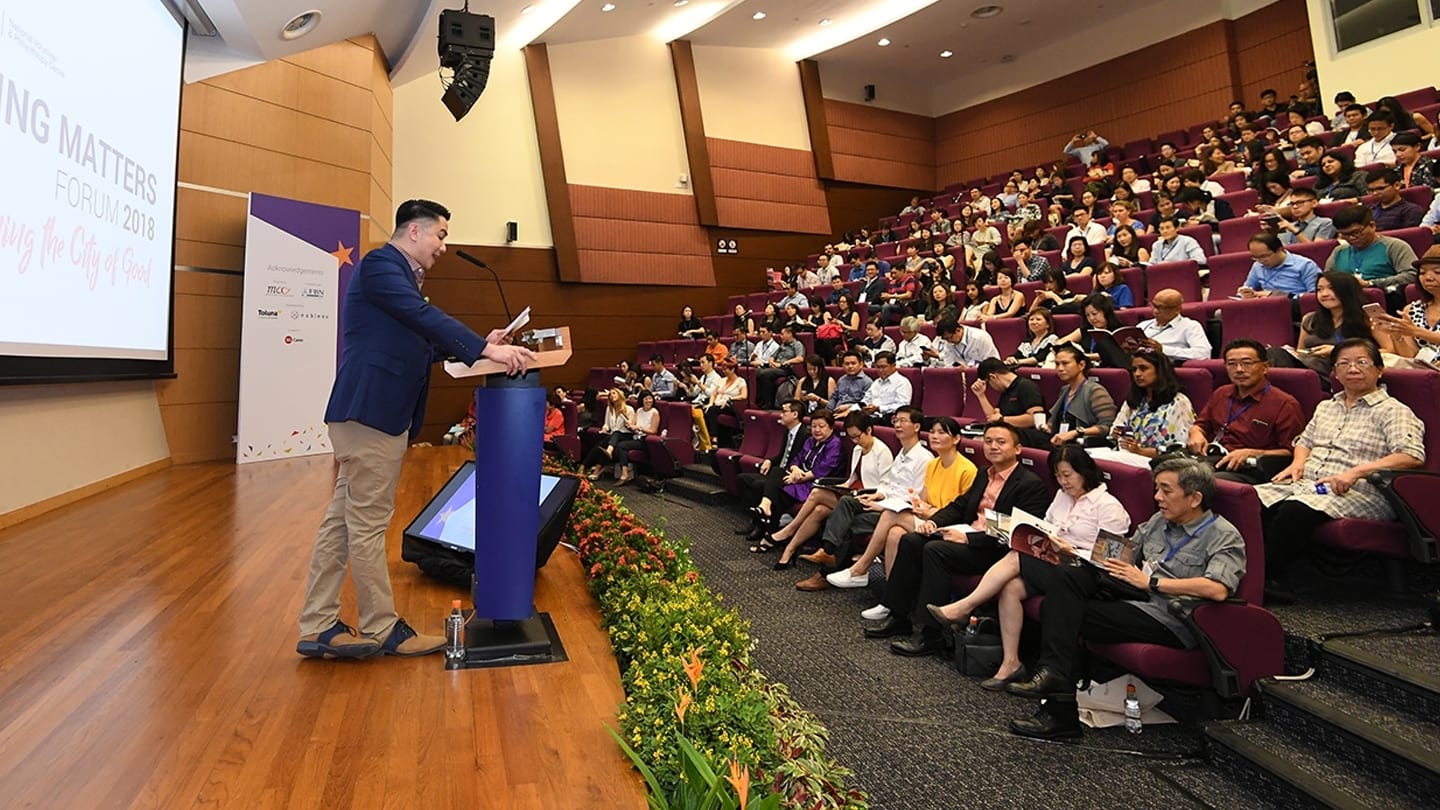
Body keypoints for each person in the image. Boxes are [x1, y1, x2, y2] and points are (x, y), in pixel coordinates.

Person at [299, 199, 534, 659]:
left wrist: (482, 347)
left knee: (342, 526)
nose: (444, 246)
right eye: (441, 235)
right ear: (413, 232)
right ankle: (382, 628)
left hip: (365, 415)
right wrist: (483, 351)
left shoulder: (397, 275)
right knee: (365, 526)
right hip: (371, 416)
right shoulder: (382, 265)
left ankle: (318, 625)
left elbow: (418, 344)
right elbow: (424, 318)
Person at [997, 459, 1245, 741]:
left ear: (1195, 498)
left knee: (1066, 612)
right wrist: (1074, 551)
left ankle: (1058, 706)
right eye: (1156, 489)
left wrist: (1152, 582)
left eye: (1166, 491)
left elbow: (1217, 588)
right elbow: (1114, 554)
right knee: (1067, 579)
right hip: (1133, 596)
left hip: (1171, 616)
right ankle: (1055, 683)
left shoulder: (1223, 535)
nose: (1157, 498)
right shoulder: (1159, 522)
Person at [922, 446, 1131, 687]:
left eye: (1068, 475)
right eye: (1058, 476)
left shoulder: (1108, 506)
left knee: (1016, 557)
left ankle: (965, 606)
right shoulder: (1062, 497)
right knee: (1011, 586)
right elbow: (1047, 526)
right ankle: (1011, 662)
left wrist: (1070, 550)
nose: (1063, 482)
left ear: (1085, 472)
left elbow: (1111, 563)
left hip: (1084, 573)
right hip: (1054, 563)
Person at [1256, 339, 1425, 598]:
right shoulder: (1327, 407)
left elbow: (1411, 456)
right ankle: (1252, 572)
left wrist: (1356, 472)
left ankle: (1270, 580)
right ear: (1334, 373)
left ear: (1379, 370)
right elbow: (1303, 442)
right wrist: (1298, 462)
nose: (1353, 369)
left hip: (1363, 491)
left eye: (1362, 362)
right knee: (1249, 500)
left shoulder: (1394, 411)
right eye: (1344, 363)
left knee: (1295, 510)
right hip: (1311, 484)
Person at [865, 422, 1051, 654]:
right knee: (911, 540)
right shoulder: (984, 473)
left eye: (1001, 442)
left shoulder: (1029, 485)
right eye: (989, 441)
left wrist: (968, 540)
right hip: (967, 533)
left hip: (993, 549)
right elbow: (960, 505)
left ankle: (931, 635)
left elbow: (1017, 533)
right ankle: (898, 617)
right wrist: (935, 521)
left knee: (935, 550)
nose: (993, 446)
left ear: (1018, 449)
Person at [825, 417, 979, 591]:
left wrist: (930, 512)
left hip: (946, 524)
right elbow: (923, 498)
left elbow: (962, 512)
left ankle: (860, 568)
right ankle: (891, 598)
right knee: (894, 533)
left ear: (957, 439)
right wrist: (920, 506)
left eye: (942, 432)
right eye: (933, 432)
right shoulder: (934, 464)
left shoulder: (967, 470)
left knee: (889, 514)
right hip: (926, 517)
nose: (934, 436)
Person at [794, 406, 935, 591]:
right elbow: (889, 484)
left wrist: (881, 504)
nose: (898, 425)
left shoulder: (923, 458)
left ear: (916, 427)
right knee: (845, 508)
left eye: (903, 421)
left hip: (898, 513)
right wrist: (878, 495)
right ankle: (830, 559)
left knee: (847, 522)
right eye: (896, 421)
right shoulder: (902, 453)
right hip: (885, 502)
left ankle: (828, 568)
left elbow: (914, 498)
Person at [767, 411, 895, 566]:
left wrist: (872, 495)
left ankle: (789, 530)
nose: (854, 441)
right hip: (853, 492)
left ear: (869, 430)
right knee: (819, 510)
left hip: (868, 499)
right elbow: (852, 479)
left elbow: (886, 485)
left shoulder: (882, 451)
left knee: (815, 493)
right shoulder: (857, 449)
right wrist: (837, 487)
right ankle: (790, 549)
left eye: (857, 436)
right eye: (851, 437)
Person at [1189, 339, 1304, 484]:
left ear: (1265, 367)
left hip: (1252, 468)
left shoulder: (1284, 403)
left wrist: (1252, 452)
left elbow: (1292, 452)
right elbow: (1200, 425)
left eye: (1247, 363)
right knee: (1164, 467)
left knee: (1195, 479)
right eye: (1231, 364)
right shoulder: (1221, 393)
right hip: (1215, 457)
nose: (1239, 369)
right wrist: (1196, 434)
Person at [743, 407, 842, 542]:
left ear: (831, 427)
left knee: (776, 492)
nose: (817, 430)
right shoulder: (810, 441)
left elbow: (825, 468)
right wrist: (795, 469)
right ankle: (766, 516)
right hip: (798, 478)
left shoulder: (834, 444)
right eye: (813, 426)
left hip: (814, 484)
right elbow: (797, 459)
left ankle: (769, 531)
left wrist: (799, 477)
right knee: (775, 472)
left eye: (821, 426)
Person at [1271, 271, 1374, 382]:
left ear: (1347, 291)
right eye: (1319, 289)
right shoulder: (1310, 319)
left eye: (1331, 288)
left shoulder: (1367, 318)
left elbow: (1390, 350)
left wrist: (1337, 350)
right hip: (1306, 369)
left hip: (1334, 373)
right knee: (1272, 354)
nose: (1324, 294)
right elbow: (1300, 351)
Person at [735, 401, 809, 540]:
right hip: (777, 472)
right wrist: (769, 460)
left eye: (784, 411)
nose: (781, 414)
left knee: (759, 485)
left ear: (795, 414)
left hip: (788, 475)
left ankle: (762, 526)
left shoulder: (805, 434)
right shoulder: (788, 432)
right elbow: (782, 455)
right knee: (742, 479)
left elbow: (798, 461)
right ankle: (756, 519)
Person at [1110, 349, 1195, 458]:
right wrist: (1116, 433)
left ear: (1159, 370)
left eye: (1143, 368)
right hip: (1127, 456)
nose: (1137, 374)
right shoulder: (1133, 399)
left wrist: (1141, 451)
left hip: (1162, 462)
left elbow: (1182, 449)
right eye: (1134, 369)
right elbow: (1116, 427)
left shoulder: (1179, 402)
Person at [1325, 204, 1420, 297]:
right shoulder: (1339, 251)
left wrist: (1371, 283)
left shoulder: (1394, 246)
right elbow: (1326, 280)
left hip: (1385, 298)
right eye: (1344, 235)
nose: (1351, 238)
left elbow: (1412, 275)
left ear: (1372, 226)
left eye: (1356, 232)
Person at [1373, 247, 1440, 358]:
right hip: (1424, 370)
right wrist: (1396, 335)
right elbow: (1410, 356)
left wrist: (1415, 331)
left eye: (1437, 272)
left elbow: (1414, 332)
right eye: (1422, 272)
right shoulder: (1412, 310)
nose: (1428, 277)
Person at [1043, 344, 1117, 445]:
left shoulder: (1095, 391)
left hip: (1080, 444)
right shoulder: (1064, 390)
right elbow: (1054, 421)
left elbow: (1107, 427)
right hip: (1059, 440)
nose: (1060, 368)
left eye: (1065, 363)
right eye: (1057, 364)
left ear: (1081, 365)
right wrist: (1047, 427)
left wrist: (1077, 432)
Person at [971, 357, 1048, 447]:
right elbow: (992, 417)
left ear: (993, 377)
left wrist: (1003, 420)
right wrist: (981, 395)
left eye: (989, 384)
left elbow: (1034, 418)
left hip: (1027, 437)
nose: (992, 388)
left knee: (984, 443)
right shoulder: (1006, 392)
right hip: (1007, 435)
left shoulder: (1026, 386)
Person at [1239, 233, 1321, 300]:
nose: (1261, 261)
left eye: (1264, 256)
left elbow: (1314, 296)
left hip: (1294, 307)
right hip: (1265, 308)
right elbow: (1248, 287)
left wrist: (1276, 295)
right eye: (1256, 258)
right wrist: (1246, 293)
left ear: (1280, 250)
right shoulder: (1257, 265)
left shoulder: (1305, 265)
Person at [581, 388, 636, 480]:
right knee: (601, 446)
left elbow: (631, 426)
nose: (612, 396)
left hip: (626, 435)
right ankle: (588, 467)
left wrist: (624, 415)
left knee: (615, 434)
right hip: (613, 436)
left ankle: (588, 468)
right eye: (610, 394)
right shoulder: (609, 409)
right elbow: (607, 424)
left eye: (614, 393)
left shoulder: (629, 409)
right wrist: (604, 428)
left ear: (620, 395)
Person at [755, 325, 804, 408]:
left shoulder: (797, 344)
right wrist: (771, 361)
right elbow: (772, 356)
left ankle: (768, 402)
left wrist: (783, 363)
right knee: (756, 371)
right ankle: (760, 400)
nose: (781, 336)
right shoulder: (782, 345)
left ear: (790, 334)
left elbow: (800, 358)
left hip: (786, 369)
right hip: (776, 367)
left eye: (783, 334)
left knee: (765, 374)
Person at [856, 351, 913, 419]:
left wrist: (879, 408)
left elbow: (903, 406)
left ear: (894, 365)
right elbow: (866, 399)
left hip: (888, 417)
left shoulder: (902, 382)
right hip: (871, 415)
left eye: (883, 367)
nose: (880, 370)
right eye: (877, 367)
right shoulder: (876, 382)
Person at [705, 358, 748, 446]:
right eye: (723, 369)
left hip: (730, 406)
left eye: (726, 369)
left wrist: (730, 399)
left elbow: (744, 396)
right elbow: (714, 394)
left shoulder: (740, 381)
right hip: (717, 404)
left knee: (712, 410)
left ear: (733, 370)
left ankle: (714, 437)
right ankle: (704, 438)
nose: (724, 371)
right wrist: (710, 403)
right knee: (704, 409)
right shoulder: (722, 380)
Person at [930, 316, 1001, 368]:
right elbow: (949, 364)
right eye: (945, 339)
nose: (949, 341)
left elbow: (993, 363)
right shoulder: (948, 340)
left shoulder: (980, 337)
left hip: (981, 375)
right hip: (959, 376)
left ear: (958, 330)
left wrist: (970, 370)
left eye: (950, 338)